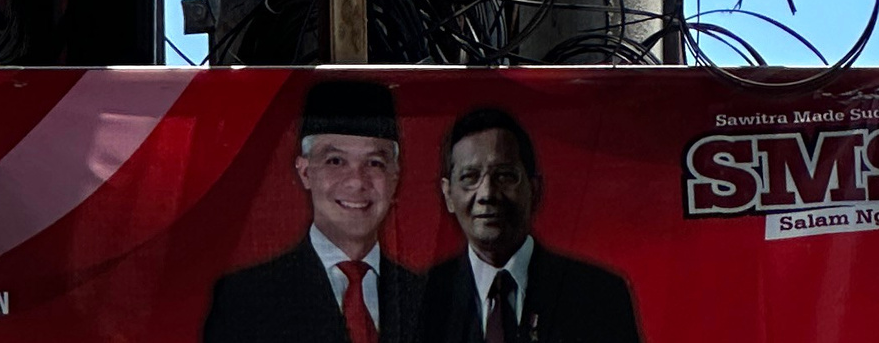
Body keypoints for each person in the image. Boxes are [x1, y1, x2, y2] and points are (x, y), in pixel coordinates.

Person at [203, 78, 424, 343]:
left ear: (395, 176)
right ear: (306, 171)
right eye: (336, 161)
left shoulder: (430, 297)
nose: (356, 181)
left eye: (374, 163)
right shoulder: (247, 297)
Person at [417, 107, 643, 343]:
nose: (487, 193)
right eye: (470, 177)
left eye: (504, 175)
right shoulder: (421, 298)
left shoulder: (599, 294)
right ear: (448, 194)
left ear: (535, 189)